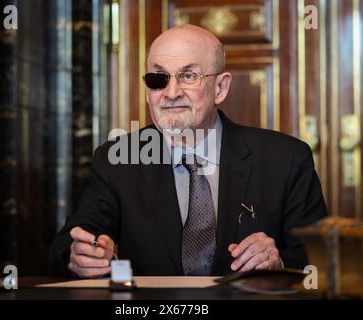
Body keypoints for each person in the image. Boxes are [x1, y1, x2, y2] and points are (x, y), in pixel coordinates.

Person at [49, 24, 327, 278]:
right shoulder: (117, 159)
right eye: (159, 78)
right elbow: (68, 247)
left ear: (220, 87)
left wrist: (277, 262)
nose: (171, 93)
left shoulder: (286, 159)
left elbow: (322, 260)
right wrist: (80, 257)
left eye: (188, 76)